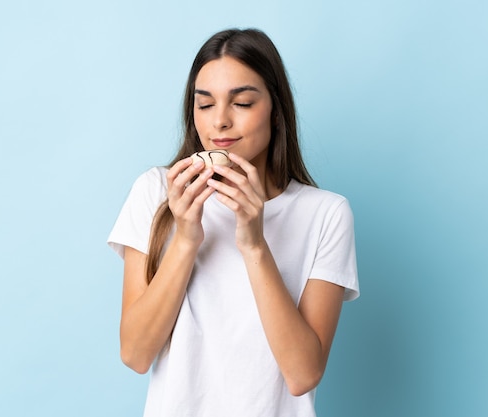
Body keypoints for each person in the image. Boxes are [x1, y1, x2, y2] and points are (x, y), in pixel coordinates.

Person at [107, 28, 359, 417]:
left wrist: (255, 244)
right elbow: (136, 354)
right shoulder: (156, 192)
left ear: (276, 109)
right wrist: (187, 238)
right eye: (204, 105)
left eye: (241, 102)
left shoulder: (325, 213)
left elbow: (303, 374)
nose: (220, 121)